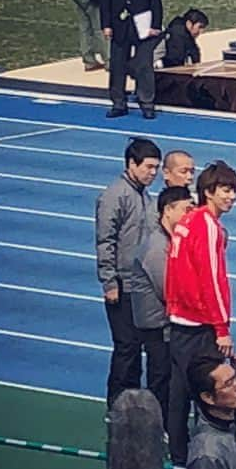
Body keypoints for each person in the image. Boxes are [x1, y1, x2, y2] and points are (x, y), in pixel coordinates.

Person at [166, 161, 236, 469]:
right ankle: (209, 455)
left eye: (234, 190)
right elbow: (210, 277)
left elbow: (174, 269)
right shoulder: (207, 225)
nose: (232, 197)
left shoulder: (188, 220)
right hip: (199, 324)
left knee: (179, 389)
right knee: (211, 388)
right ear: (209, 191)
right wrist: (221, 327)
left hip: (180, 319)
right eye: (226, 190)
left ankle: (179, 457)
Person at [95, 137, 160, 406]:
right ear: (131, 164)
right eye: (148, 167)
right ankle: (117, 404)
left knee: (136, 348)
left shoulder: (144, 196)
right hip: (122, 284)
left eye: (156, 168)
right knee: (126, 348)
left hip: (140, 286)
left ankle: (132, 405)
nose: (153, 173)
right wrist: (109, 281)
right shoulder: (114, 196)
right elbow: (105, 240)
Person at [127, 185, 194, 410]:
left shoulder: (170, 241)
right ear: (167, 210)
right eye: (186, 211)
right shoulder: (157, 246)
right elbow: (169, 290)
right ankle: (157, 429)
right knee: (161, 381)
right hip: (157, 327)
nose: (189, 217)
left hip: (164, 324)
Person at [100, 0, 163, 119]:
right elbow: (105, 0)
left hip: (143, 25)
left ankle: (147, 102)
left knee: (144, 64)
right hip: (120, 24)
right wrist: (106, 24)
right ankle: (119, 102)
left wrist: (156, 24)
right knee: (117, 65)